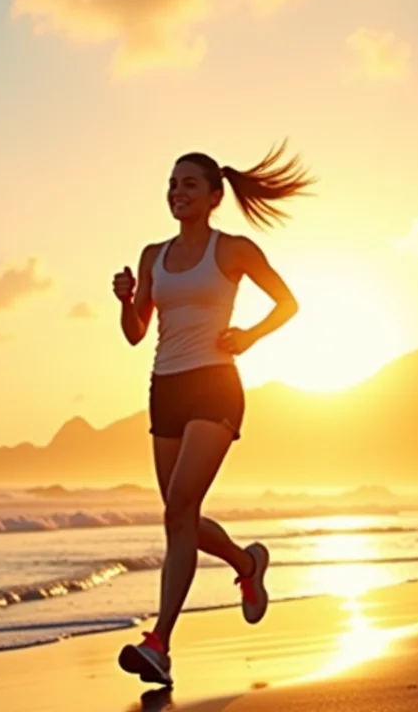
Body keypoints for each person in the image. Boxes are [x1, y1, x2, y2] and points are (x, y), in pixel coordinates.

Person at [112, 142, 313, 686]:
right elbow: (135, 333)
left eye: (189, 184)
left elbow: (288, 302)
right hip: (165, 388)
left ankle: (159, 643)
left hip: (215, 386)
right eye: (172, 184)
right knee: (180, 516)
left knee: (179, 508)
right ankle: (247, 564)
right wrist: (126, 300)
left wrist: (250, 335)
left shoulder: (233, 250)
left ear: (213, 195)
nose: (177, 192)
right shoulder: (153, 255)